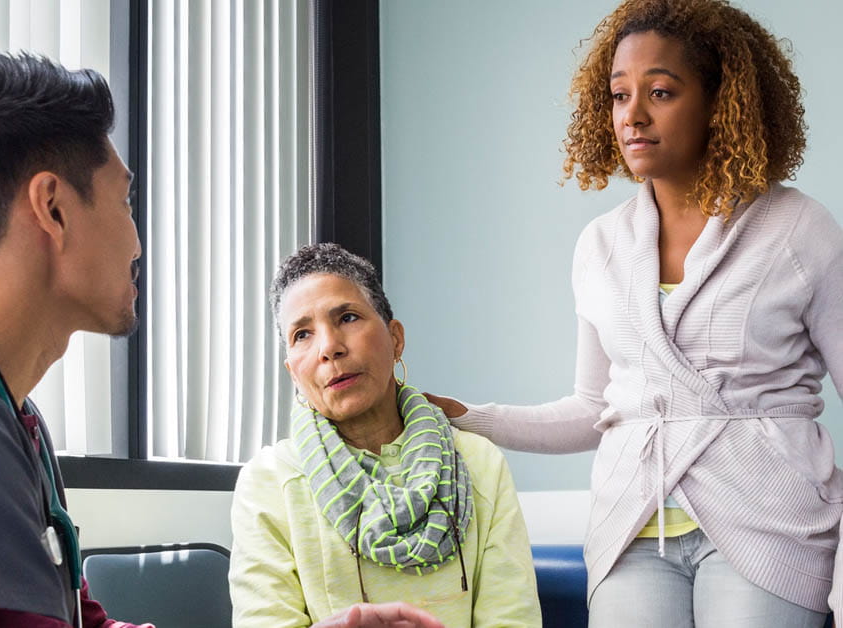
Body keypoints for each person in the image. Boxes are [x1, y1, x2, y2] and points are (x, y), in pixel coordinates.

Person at [426, 0, 843, 626]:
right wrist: (469, 418)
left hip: (768, 524)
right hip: (633, 534)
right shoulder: (600, 245)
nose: (634, 116)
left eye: (661, 92)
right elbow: (595, 410)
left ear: (719, 101)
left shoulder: (798, 229)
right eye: (620, 96)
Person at [0, 52, 151, 628]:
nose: (136, 243)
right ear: (53, 208)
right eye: (125, 202)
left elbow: (79, 619)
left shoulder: (2, 407)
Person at [228, 243, 542, 628]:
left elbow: (512, 619)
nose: (329, 348)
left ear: (395, 339)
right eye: (302, 335)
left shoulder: (479, 462)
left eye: (346, 317)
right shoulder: (269, 481)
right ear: (294, 372)